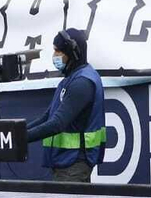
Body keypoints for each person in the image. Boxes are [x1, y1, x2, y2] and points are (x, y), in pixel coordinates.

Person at [23, 29, 105, 183]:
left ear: (73, 53)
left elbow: (57, 123)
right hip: (65, 162)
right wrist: (18, 131)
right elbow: (47, 117)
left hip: (74, 165)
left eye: (58, 51)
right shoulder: (70, 79)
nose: (55, 56)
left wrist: (21, 138)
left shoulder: (82, 82)